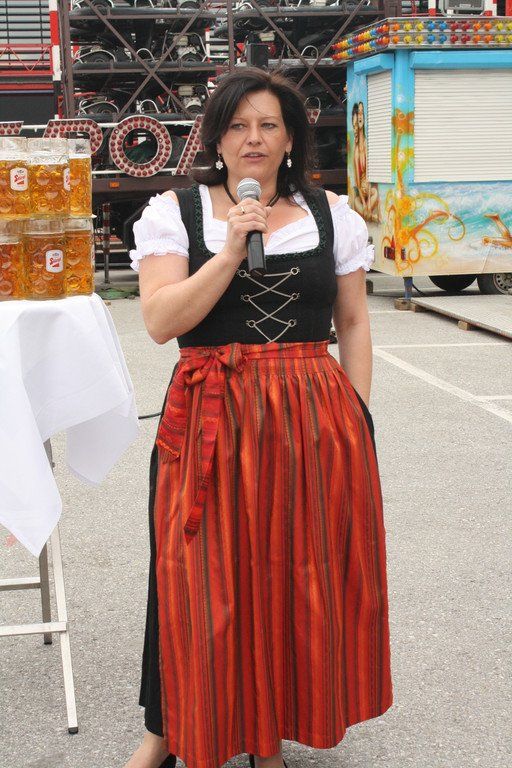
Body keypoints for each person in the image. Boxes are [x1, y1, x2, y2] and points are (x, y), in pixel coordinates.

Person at [125, 68, 393, 768]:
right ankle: (175, 729)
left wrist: (356, 416)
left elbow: (353, 322)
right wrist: (228, 252)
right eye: (239, 125)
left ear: (290, 138)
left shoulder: (331, 214)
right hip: (209, 412)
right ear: (216, 138)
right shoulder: (177, 213)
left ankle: (267, 732)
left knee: (293, 574)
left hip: (311, 415)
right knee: (198, 576)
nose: (254, 138)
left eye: (269, 124)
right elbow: (160, 321)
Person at [351, 102, 380, 223]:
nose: (360, 117)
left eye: (361, 113)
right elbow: (357, 180)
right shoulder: (356, 150)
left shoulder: (368, 144)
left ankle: (368, 215)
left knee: (375, 193)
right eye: (358, 114)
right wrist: (364, 202)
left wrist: (368, 204)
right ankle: (371, 217)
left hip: (370, 188)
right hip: (362, 191)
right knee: (355, 202)